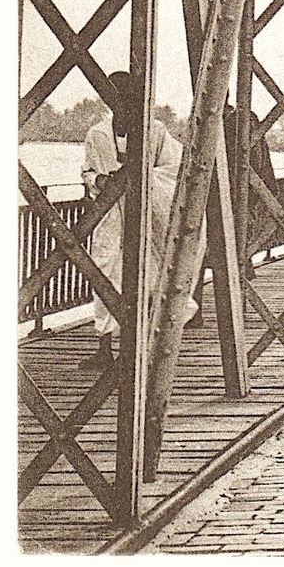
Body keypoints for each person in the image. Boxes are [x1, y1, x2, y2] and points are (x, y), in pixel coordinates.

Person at [77, 71, 195, 371]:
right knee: (104, 272)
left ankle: (144, 344)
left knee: (150, 273)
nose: (122, 104)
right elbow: (88, 171)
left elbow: (174, 167)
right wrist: (102, 181)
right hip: (111, 214)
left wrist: (141, 180)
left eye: (127, 97)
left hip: (147, 216)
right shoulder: (97, 134)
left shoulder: (154, 131)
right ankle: (104, 346)